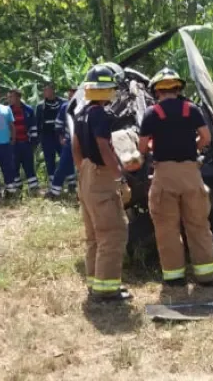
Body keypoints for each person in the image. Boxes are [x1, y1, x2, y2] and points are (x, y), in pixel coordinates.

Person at [138, 68, 213, 287]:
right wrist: (191, 147)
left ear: (157, 91)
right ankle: (206, 275)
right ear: (178, 88)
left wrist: (155, 146)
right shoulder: (191, 110)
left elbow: (142, 147)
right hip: (191, 174)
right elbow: (206, 137)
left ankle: (174, 277)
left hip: (165, 175)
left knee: (167, 228)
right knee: (198, 225)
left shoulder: (152, 114)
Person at [73, 65, 132, 301]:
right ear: (107, 89)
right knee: (113, 232)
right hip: (100, 175)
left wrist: (84, 171)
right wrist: (118, 176)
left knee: (94, 235)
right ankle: (107, 289)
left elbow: (75, 147)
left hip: (86, 175)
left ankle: (94, 282)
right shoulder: (101, 115)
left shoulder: (81, 113)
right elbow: (104, 147)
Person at [45, 86, 77, 199]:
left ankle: (80, 190)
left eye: (73, 94)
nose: (70, 96)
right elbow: (58, 125)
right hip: (69, 141)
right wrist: (61, 137)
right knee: (63, 165)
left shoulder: (84, 106)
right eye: (69, 94)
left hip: (82, 142)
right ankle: (54, 192)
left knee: (85, 167)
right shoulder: (65, 106)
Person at [7, 88, 40, 194]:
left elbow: (34, 127)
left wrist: (34, 143)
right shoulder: (7, 110)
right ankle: (18, 187)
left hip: (26, 143)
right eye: (9, 96)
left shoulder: (28, 110)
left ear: (18, 97)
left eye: (11, 96)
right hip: (13, 144)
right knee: (13, 166)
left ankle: (34, 188)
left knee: (29, 166)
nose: (9, 99)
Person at [37, 82, 67, 187]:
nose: (44, 92)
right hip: (47, 137)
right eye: (44, 90)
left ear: (52, 90)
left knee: (65, 158)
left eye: (47, 90)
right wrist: (38, 139)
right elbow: (38, 123)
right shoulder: (40, 106)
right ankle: (52, 183)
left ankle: (70, 182)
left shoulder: (63, 103)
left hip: (60, 136)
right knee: (49, 160)